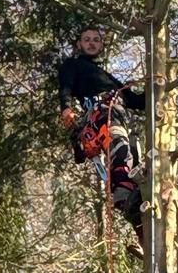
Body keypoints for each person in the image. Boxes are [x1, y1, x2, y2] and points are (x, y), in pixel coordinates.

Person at [57, 24, 145, 245]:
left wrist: (157, 89)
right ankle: (123, 196)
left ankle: (138, 215)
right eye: (87, 39)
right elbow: (65, 86)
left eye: (96, 40)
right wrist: (66, 107)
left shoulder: (110, 79)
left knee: (132, 154)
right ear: (79, 44)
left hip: (117, 116)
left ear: (102, 45)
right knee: (121, 150)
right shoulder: (73, 65)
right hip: (101, 115)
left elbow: (135, 101)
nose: (91, 43)